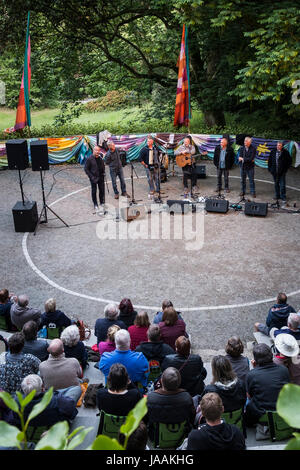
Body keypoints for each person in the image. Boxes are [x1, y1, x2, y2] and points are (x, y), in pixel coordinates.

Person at [245, 343, 290, 426]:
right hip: (282, 409)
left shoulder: (251, 375)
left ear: (255, 359)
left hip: (263, 413)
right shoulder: (284, 370)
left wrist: (255, 369)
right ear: (272, 355)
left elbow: (249, 396)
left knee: (249, 405)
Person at [12, 374, 80, 429]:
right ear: (42, 387)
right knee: (77, 389)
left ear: (24, 389)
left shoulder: (16, 402)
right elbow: (70, 409)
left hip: (31, 423)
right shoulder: (57, 399)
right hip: (54, 422)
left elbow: (15, 419)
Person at [147, 367, 195, 440]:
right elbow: (192, 416)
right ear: (179, 382)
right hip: (181, 436)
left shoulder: (151, 398)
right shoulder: (187, 397)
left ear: (162, 381)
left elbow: (146, 419)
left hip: (156, 437)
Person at [84, 145, 106, 212]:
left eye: (98, 150)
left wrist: (103, 172)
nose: (97, 152)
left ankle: (101, 203)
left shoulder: (100, 158)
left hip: (101, 177)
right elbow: (86, 169)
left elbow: (103, 166)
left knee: (102, 191)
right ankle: (95, 204)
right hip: (93, 178)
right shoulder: (89, 159)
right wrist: (91, 177)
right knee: (94, 191)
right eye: (96, 150)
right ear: (93, 151)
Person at [139, 135, 160, 199]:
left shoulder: (155, 148)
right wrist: (145, 165)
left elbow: (159, 154)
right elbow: (140, 158)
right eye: (147, 141)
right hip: (148, 166)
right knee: (150, 178)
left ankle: (158, 189)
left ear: (152, 142)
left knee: (157, 178)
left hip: (156, 166)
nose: (148, 142)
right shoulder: (144, 149)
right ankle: (152, 189)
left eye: (149, 141)